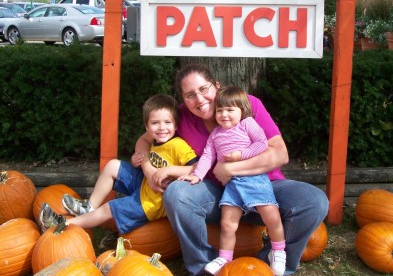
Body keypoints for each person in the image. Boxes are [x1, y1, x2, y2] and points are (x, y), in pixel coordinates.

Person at [133, 64, 329, 276]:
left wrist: (231, 168)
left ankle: (266, 265)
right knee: (177, 194)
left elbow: (280, 153)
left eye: (203, 89)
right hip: (218, 196)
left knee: (314, 201)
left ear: (217, 85)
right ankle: (202, 268)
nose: (199, 99)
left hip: (266, 187)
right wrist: (149, 169)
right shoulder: (181, 116)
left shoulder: (247, 104)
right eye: (190, 95)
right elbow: (145, 139)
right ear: (183, 98)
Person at [37, 94, 198, 235]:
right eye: (155, 123)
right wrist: (137, 161)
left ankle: (61, 226)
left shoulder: (178, 146)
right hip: (144, 186)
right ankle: (89, 207)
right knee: (113, 165)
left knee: (109, 208)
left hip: (151, 203)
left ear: (176, 126)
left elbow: (196, 167)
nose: (162, 127)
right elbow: (148, 159)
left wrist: (171, 171)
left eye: (167, 122)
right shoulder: (154, 142)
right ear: (146, 127)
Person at [178, 85, 286, 275]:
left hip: (254, 180)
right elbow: (207, 156)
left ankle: (278, 251)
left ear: (242, 111)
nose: (224, 114)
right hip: (232, 185)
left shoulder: (247, 124)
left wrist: (241, 155)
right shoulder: (215, 134)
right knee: (228, 224)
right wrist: (197, 175)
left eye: (230, 110)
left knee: (271, 216)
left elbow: (262, 143)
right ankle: (224, 257)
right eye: (220, 110)